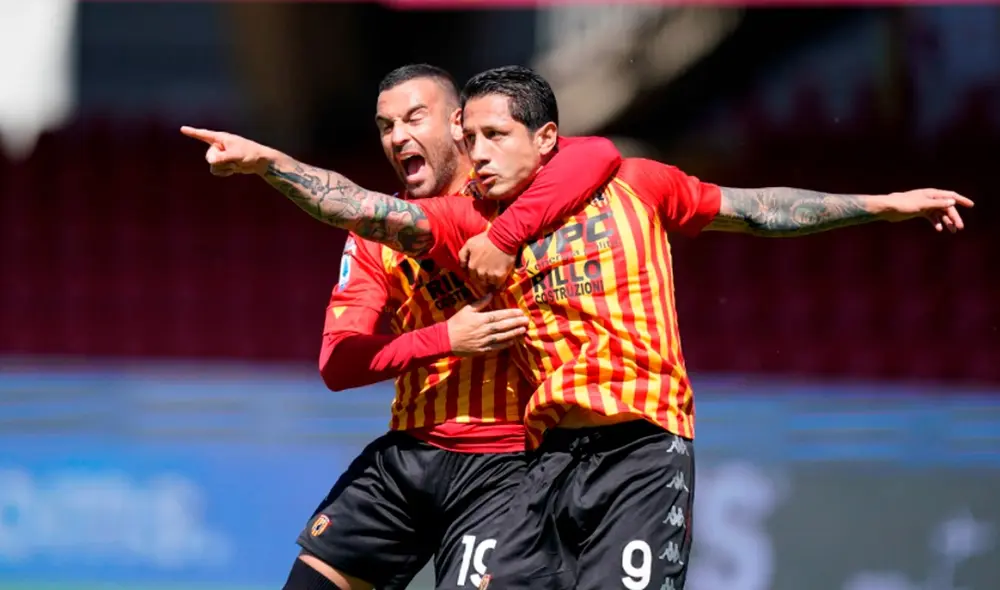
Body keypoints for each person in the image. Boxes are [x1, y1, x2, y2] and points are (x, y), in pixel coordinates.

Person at [181, 64, 620, 590]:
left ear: (460, 124)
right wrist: (445, 339)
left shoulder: (518, 196)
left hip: (508, 466)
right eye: (386, 126)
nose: (398, 136)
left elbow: (599, 153)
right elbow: (338, 363)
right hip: (407, 458)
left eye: (414, 118)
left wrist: (505, 238)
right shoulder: (378, 236)